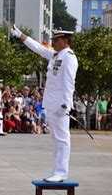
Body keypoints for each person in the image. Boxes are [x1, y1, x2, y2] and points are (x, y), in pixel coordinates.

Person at [11, 26, 78, 182]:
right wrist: (21, 36)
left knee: (62, 139)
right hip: (52, 103)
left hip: (60, 105)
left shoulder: (69, 57)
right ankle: (57, 171)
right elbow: (39, 48)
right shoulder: (56, 55)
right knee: (56, 139)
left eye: (56, 40)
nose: (53, 42)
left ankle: (61, 172)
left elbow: (69, 82)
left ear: (65, 41)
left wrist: (66, 104)